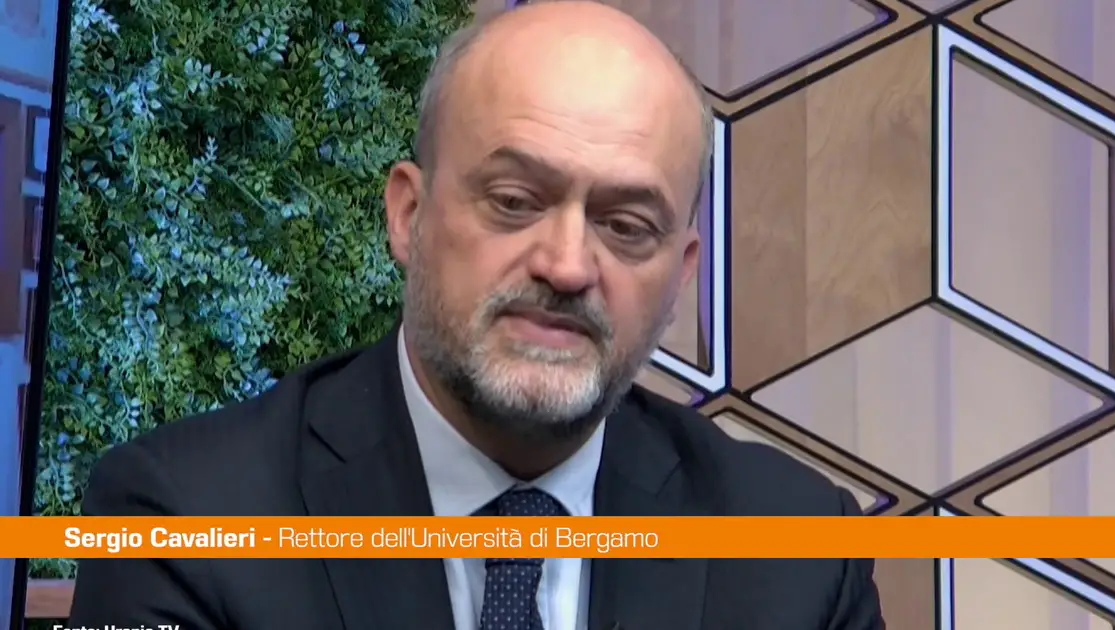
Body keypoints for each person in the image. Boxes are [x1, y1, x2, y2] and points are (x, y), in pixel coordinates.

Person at [68, 2, 885, 628]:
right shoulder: (181, 520)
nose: (567, 265)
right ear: (408, 215)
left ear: (682, 277)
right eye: (515, 201)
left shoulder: (800, 555)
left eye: (626, 226)